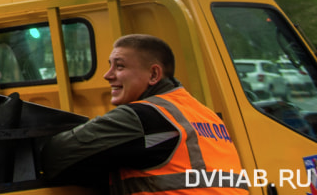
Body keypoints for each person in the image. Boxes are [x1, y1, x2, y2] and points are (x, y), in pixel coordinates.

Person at [39, 34, 245, 192]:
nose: (107, 75)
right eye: (109, 66)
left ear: (154, 74)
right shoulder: (204, 114)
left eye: (119, 66)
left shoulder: (144, 115)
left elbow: (54, 156)